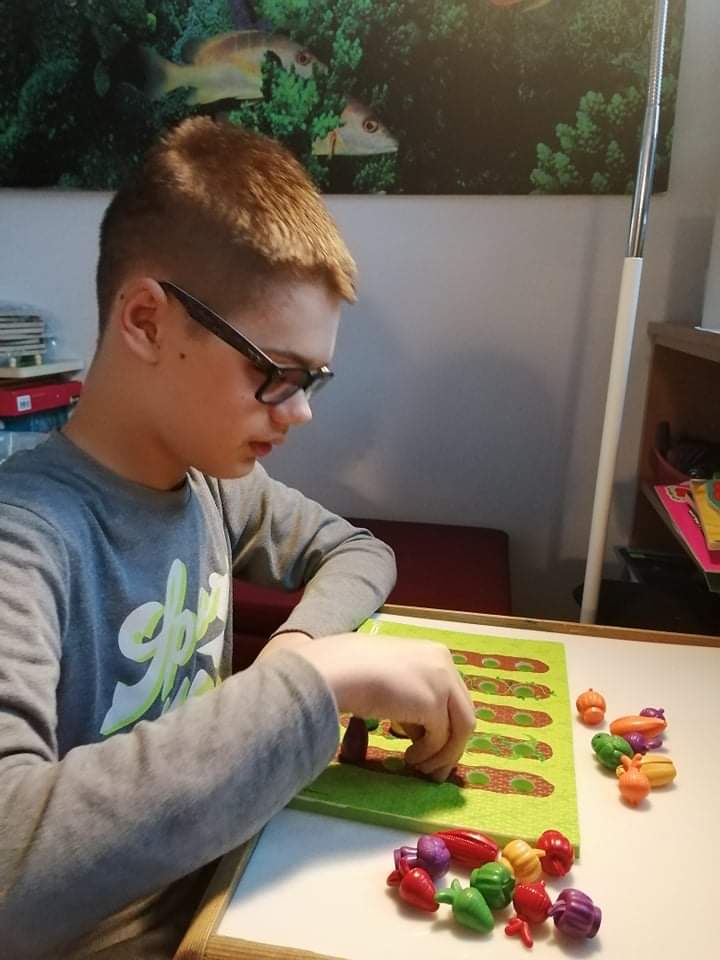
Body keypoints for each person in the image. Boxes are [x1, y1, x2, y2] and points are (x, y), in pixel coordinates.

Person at [0, 117, 475, 959]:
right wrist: (313, 686)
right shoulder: (25, 540)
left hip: (231, 894)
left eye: (313, 379)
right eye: (275, 372)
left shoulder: (216, 486)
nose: (302, 412)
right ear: (147, 321)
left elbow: (359, 552)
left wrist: (298, 650)